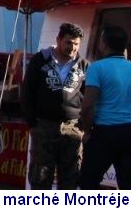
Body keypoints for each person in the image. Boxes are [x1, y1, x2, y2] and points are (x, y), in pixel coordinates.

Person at [79, 25, 131, 189]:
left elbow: (88, 105)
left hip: (105, 132)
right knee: (129, 183)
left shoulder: (97, 67)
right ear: (125, 46)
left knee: (88, 182)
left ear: (103, 44)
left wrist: (87, 132)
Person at [22, 22, 89, 189]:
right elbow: (27, 92)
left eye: (76, 44)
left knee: (70, 177)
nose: (72, 47)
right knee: (40, 176)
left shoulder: (83, 65)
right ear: (58, 40)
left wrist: (84, 125)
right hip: (44, 126)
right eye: (68, 42)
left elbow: (89, 96)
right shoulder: (40, 60)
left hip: (72, 128)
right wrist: (32, 122)